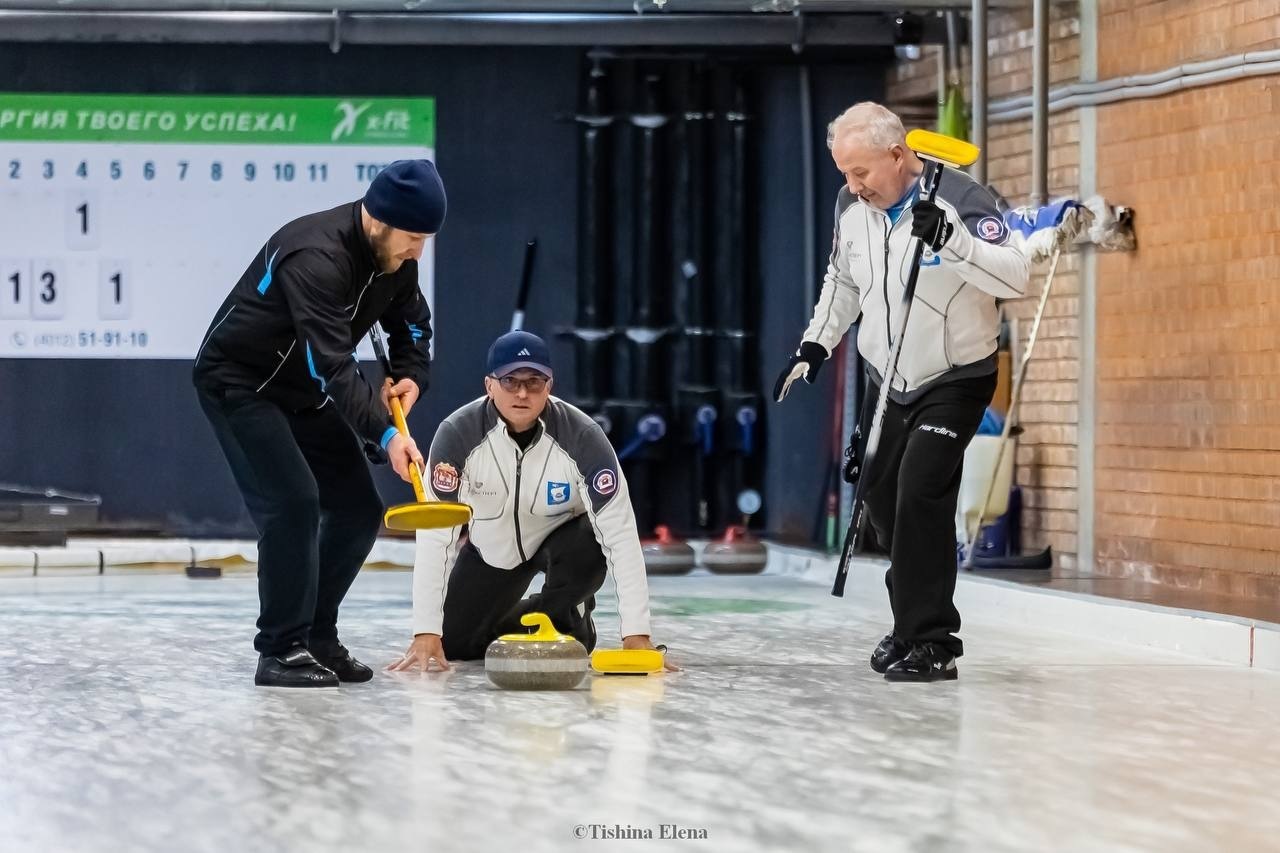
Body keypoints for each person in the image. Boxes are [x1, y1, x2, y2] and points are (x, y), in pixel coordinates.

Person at [774, 102, 1029, 682]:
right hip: (885, 377)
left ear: (897, 155)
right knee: (882, 500)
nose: (851, 185)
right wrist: (816, 345)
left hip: (956, 376)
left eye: (860, 172)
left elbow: (1016, 276)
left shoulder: (963, 198)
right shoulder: (851, 207)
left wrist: (954, 240)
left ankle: (933, 640)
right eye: (843, 172)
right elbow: (842, 281)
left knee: (921, 491)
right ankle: (911, 619)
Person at [193, 159, 446, 688]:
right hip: (239, 381)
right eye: (412, 238)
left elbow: (413, 327)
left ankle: (316, 635)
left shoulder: (398, 262)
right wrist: (386, 434)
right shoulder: (315, 255)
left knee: (357, 508)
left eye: (425, 240)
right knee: (293, 503)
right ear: (377, 219)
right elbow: (330, 364)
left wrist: (410, 376)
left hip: (300, 389)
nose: (417, 252)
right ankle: (280, 649)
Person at [388, 330, 670, 672]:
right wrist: (426, 631)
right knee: (458, 644)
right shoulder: (456, 435)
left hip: (565, 542)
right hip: (492, 553)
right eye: (510, 381)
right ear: (489, 385)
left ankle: (570, 617)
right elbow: (437, 537)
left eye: (535, 381)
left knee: (589, 546)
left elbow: (621, 534)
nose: (522, 392)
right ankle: (519, 621)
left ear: (549, 386)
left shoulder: (583, 437)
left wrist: (636, 634)